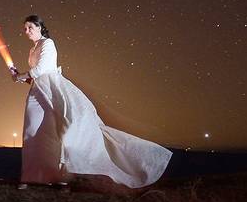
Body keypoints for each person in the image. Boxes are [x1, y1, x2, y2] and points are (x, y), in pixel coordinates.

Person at [11, 15, 172, 188]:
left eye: (30, 27)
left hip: (51, 91)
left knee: (52, 132)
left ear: (40, 27)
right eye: (25, 28)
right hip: (37, 91)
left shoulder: (48, 43)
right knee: (34, 131)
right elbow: (35, 76)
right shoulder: (33, 48)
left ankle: (59, 177)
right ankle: (33, 176)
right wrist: (20, 77)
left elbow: (42, 70)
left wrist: (21, 76)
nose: (26, 31)